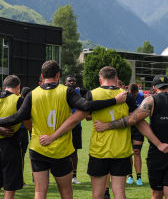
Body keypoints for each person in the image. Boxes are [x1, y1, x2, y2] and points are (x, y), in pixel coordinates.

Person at [0, 61, 127, 199]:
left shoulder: (32, 94)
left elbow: (16, 118)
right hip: (61, 150)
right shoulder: (66, 91)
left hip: (38, 148)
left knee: (39, 192)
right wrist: (114, 100)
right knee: (66, 193)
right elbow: (85, 105)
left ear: (42, 76)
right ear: (58, 75)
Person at [39, 66, 137, 199]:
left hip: (99, 150)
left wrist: (52, 136)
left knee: (97, 194)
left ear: (100, 80)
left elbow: (75, 119)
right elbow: (134, 119)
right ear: (116, 79)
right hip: (122, 150)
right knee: (119, 193)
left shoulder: (93, 94)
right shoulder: (127, 96)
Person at [0, 75, 32, 199]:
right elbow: (29, 126)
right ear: (18, 86)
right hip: (10, 146)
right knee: (10, 186)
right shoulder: (19, 101)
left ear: (4, 86)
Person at [64, 75, 87, 185]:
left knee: (74, 151)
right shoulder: (62, 92)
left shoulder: (80, 92)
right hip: (63, 125)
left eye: (73, 81)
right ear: (65, 82)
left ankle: (74, 176)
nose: (72, 82)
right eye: (69, 81)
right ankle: (62, 175)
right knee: (62, 151)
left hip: (76, 125)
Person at [127, 83, 145, 186]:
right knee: (129, 152)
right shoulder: (125, 97)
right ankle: (130, 175)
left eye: (134, 96)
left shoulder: (143, 97)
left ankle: (139, 177)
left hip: (138, 128)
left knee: (137, 151)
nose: (132, 98)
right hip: (127, 128)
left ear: (137, 93)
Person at [19, 87, 32, 186]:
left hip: (23, 132)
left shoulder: (29, 104)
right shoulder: (19, 103)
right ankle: (20, 180)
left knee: (21, 157)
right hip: (20, 131)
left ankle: (21, 180)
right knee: (20, 157)